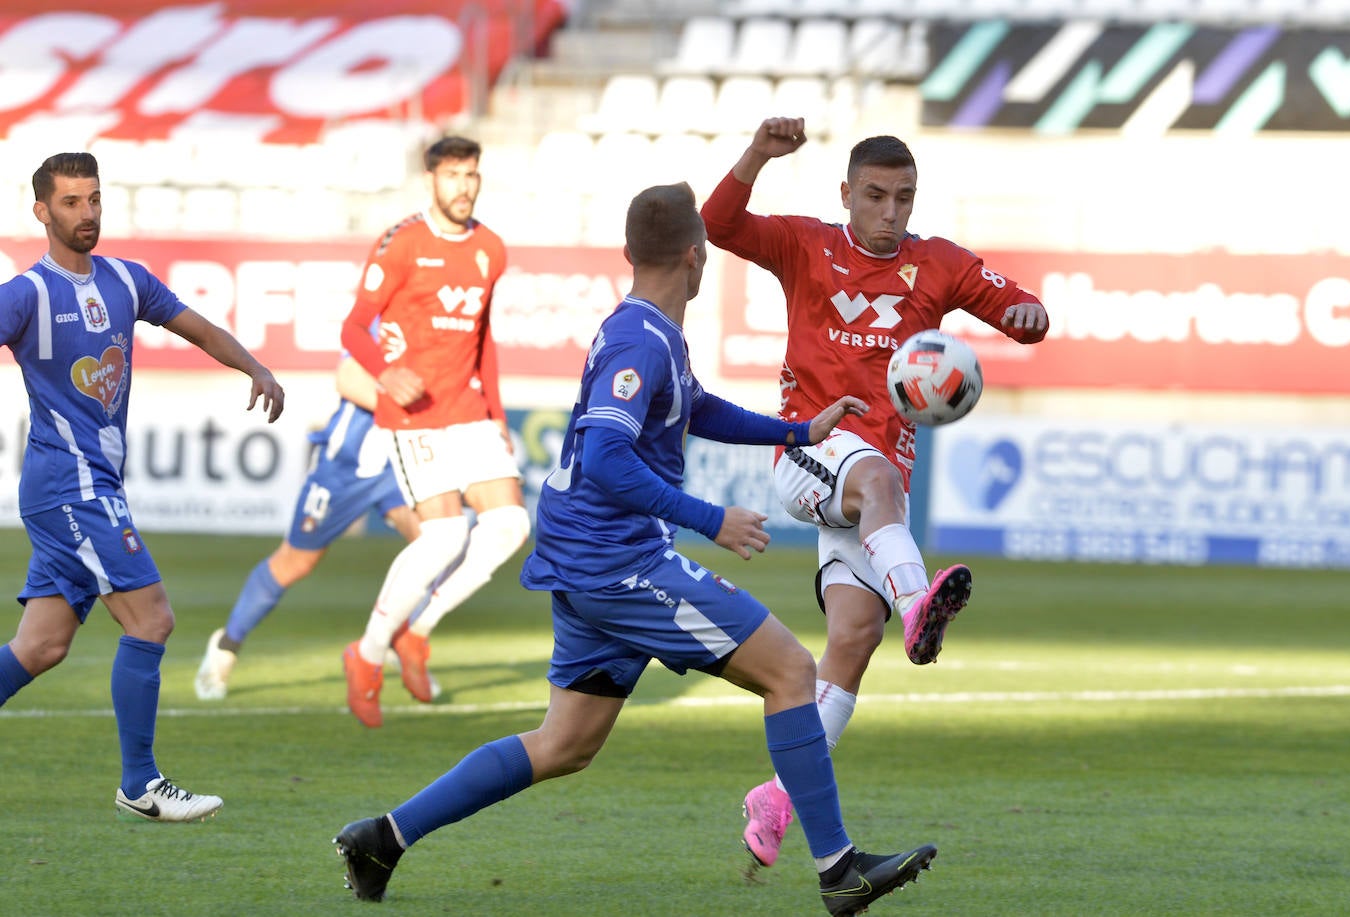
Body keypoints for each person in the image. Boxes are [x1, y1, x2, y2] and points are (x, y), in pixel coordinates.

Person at [332, 182, 938, 916]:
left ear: (630, 254)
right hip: (617, 563)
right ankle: (838, 867)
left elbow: (697, 406)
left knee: (564, 744)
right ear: (697, 257)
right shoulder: (638, 340)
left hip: (587, 557)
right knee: (790, 669)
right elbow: (607, 457)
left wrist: (797, 431)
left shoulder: (645, 331)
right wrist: (708, 518)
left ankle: (382, 837)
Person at [700, 117, 1050, 869]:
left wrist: (1028, 316)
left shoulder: (941, 264)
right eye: (876, 196)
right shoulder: (804, 245)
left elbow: (1025, 314)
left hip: (872, 492)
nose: (890, 212)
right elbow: (716, 224)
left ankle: (777, 797)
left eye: (904, 198)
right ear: (847, 195)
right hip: (810, 451)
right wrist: (760, 152)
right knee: (878, 479)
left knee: (852, 641)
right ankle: (920, 598)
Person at [0, 152, 285, 821]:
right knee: (152, 616)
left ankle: (141, 779)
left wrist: (255, 367)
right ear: (42, 211)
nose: (86, 213)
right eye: (69, 202)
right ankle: (141, 783)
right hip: (67, 484)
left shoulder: (127, 280)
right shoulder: (26, 294)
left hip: (94, 482)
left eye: (93, 198)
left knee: (40, 645)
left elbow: (196, 324)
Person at [337, 135, 529, 728]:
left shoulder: (490, 249)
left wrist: (496, 415)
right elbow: (353, 329)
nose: (464, 186)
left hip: (470, 411)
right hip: (415, 415)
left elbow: (483, 341)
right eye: (452, 176)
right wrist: (385, 373)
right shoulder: (402, 243)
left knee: (511, 524)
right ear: (431, 181)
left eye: (471, 174)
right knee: (444, 538)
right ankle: (367, 654)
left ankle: (416, 633)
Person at [193, 356, 421, 700]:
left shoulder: (443, 323)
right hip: (345, 466)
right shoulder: (383, 316)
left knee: (440, 543)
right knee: (296, 562)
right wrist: (411, 410)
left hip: (404, 464)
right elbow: (348, 379)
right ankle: (225, 646)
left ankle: (392, 642)